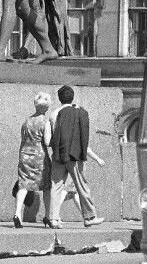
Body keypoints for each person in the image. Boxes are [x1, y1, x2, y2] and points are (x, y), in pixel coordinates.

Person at [48, 85, 104, 229]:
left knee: (56, 187)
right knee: (81, 185)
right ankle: (89, 216)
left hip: (58, 155)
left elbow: (51, 136)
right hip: (73, 155)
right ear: (72, 97)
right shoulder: (77, 112)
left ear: (59, 98)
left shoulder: (54, 114)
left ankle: (53, 219)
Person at [14, 92, 53, 228]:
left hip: (25, 154)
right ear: (47, 107)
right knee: (46, 186)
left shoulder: (27, 121)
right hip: (39, 156)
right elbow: (47, 142)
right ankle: (48, 216)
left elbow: (22, 138)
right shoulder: (45, 122)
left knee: (23, 185)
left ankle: (17, 214)